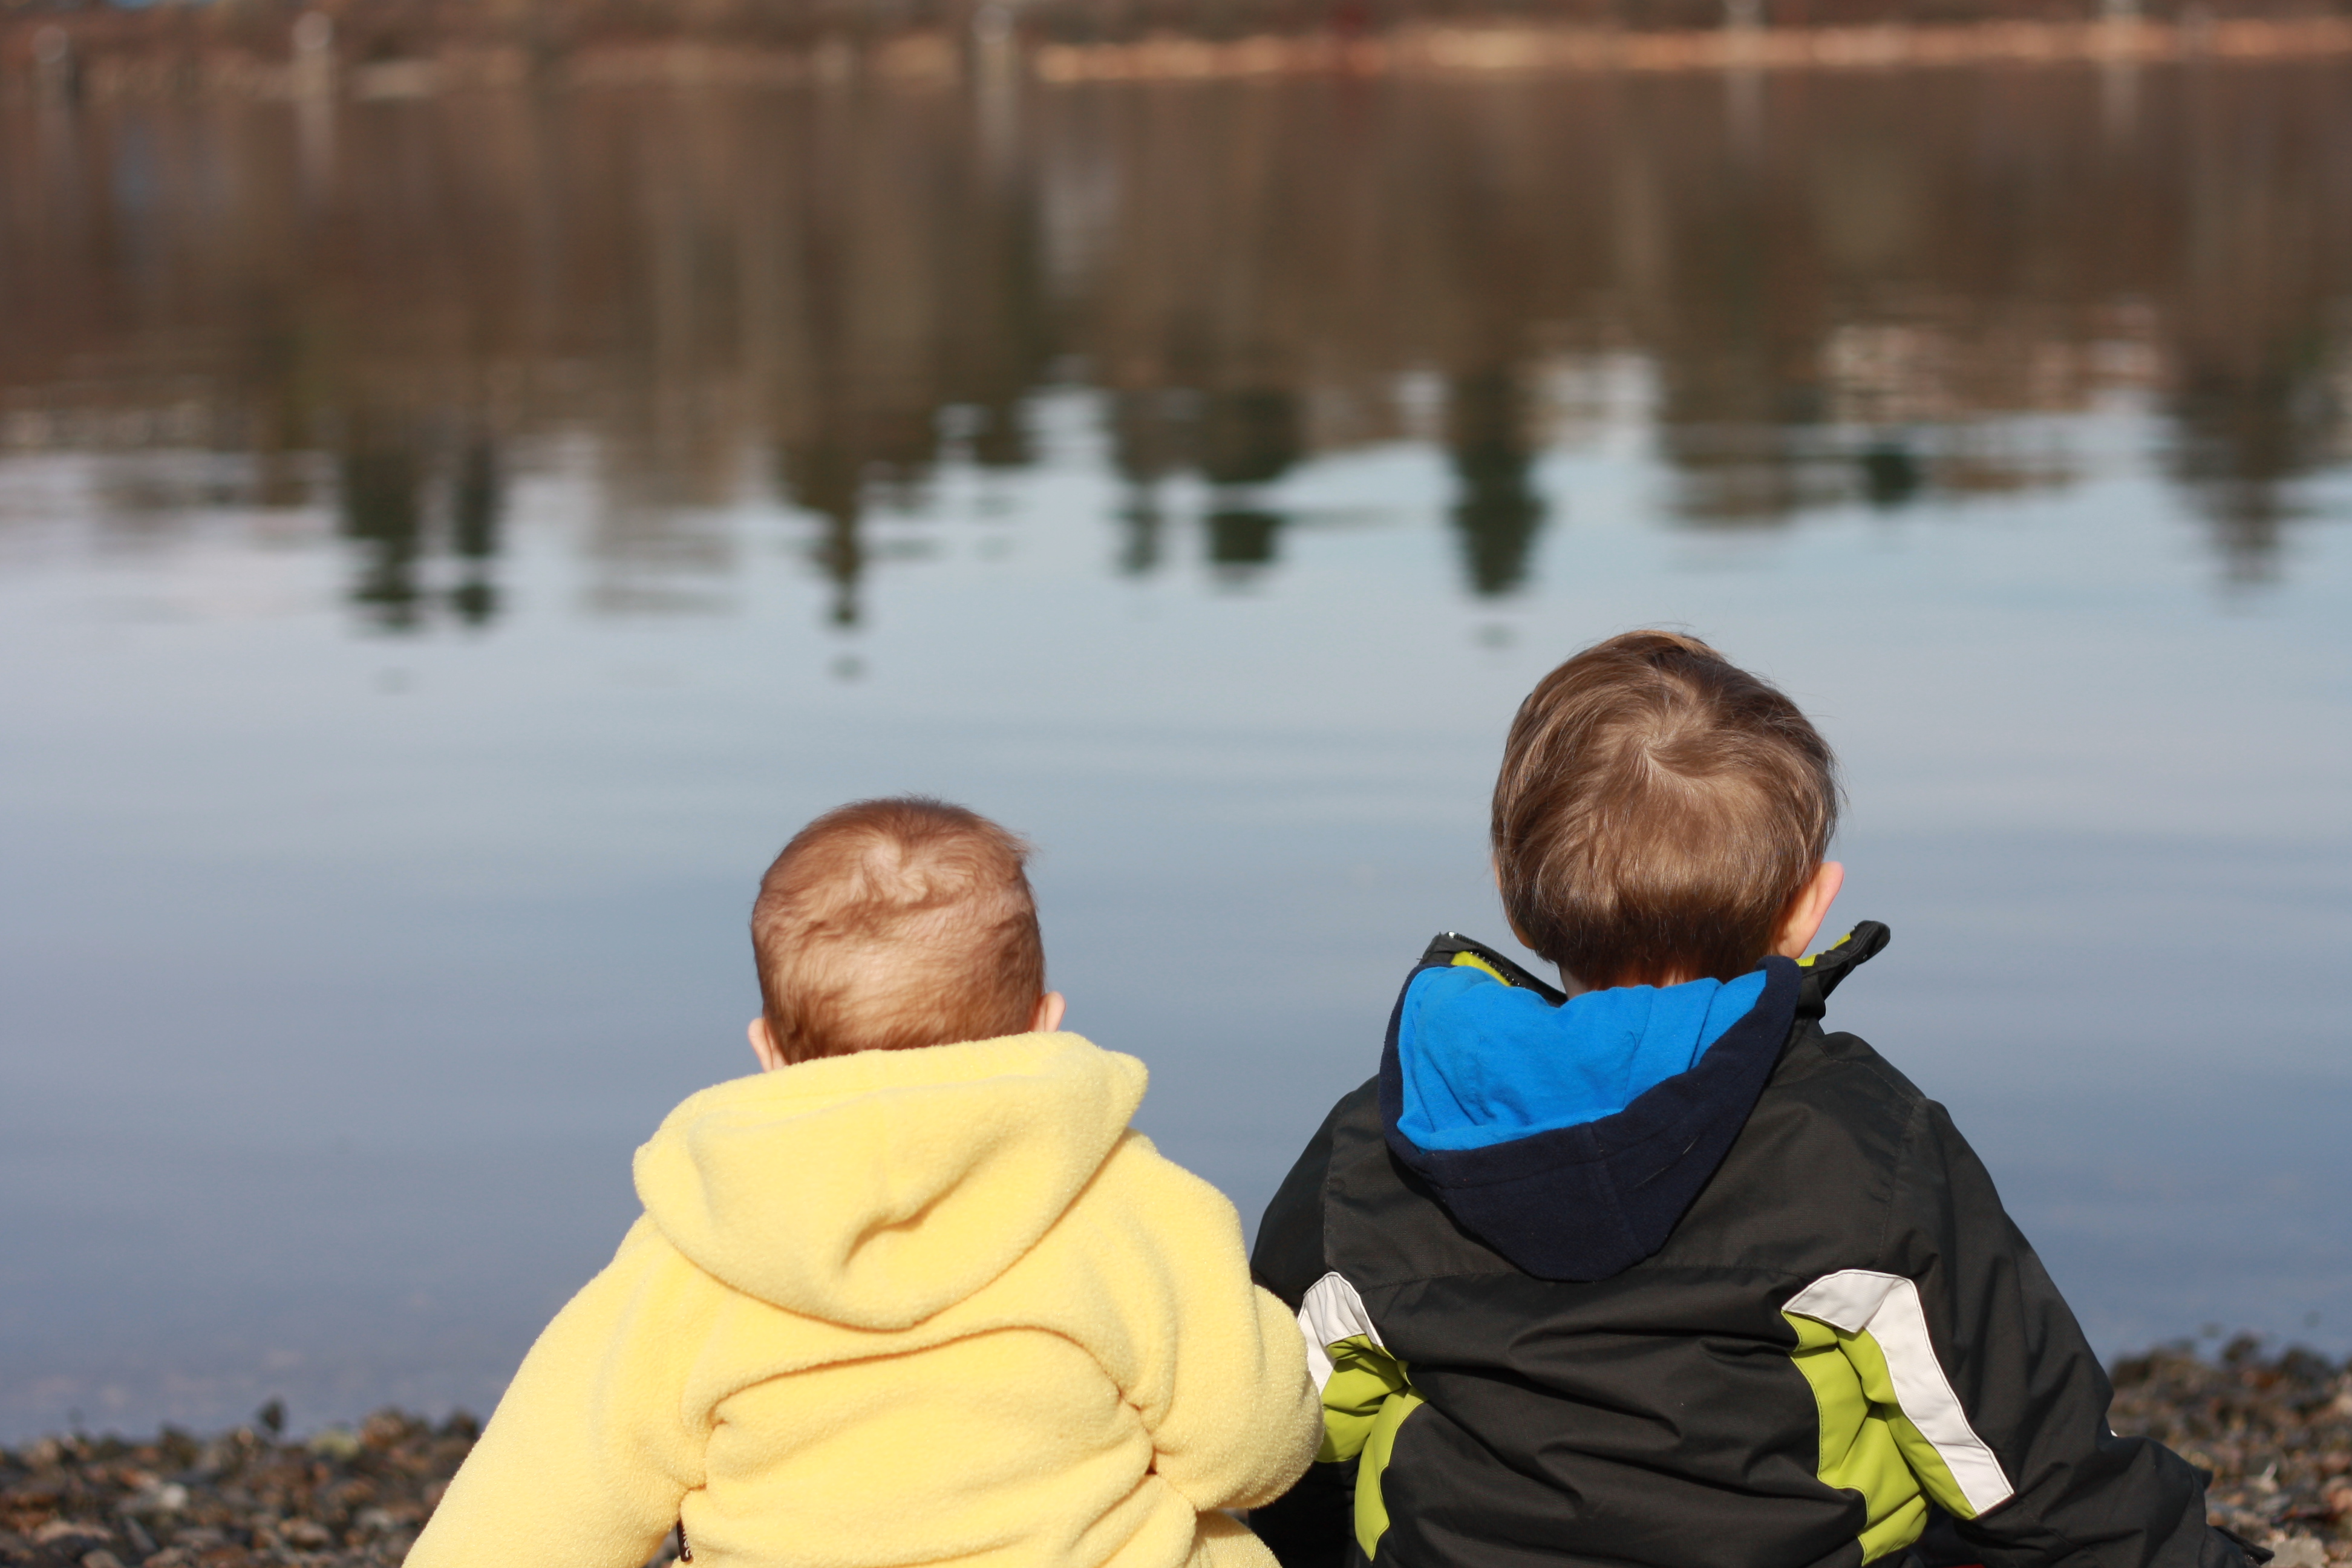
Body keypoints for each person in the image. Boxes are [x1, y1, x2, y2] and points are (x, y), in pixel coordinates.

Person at [1245, 632, 2259, 1568]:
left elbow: (1274, 1438)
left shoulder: (1387, 1138)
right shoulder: (1862, 1141)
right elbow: (2036, 1475)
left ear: (1515, 894)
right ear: (1805, 908)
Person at [409, 797, 1321, 1568]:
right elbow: (1252, 1448)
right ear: (1044, 1029)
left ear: (768, 1050)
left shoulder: (696, 1256)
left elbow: (523, 1522)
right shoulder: (1125, 1203)